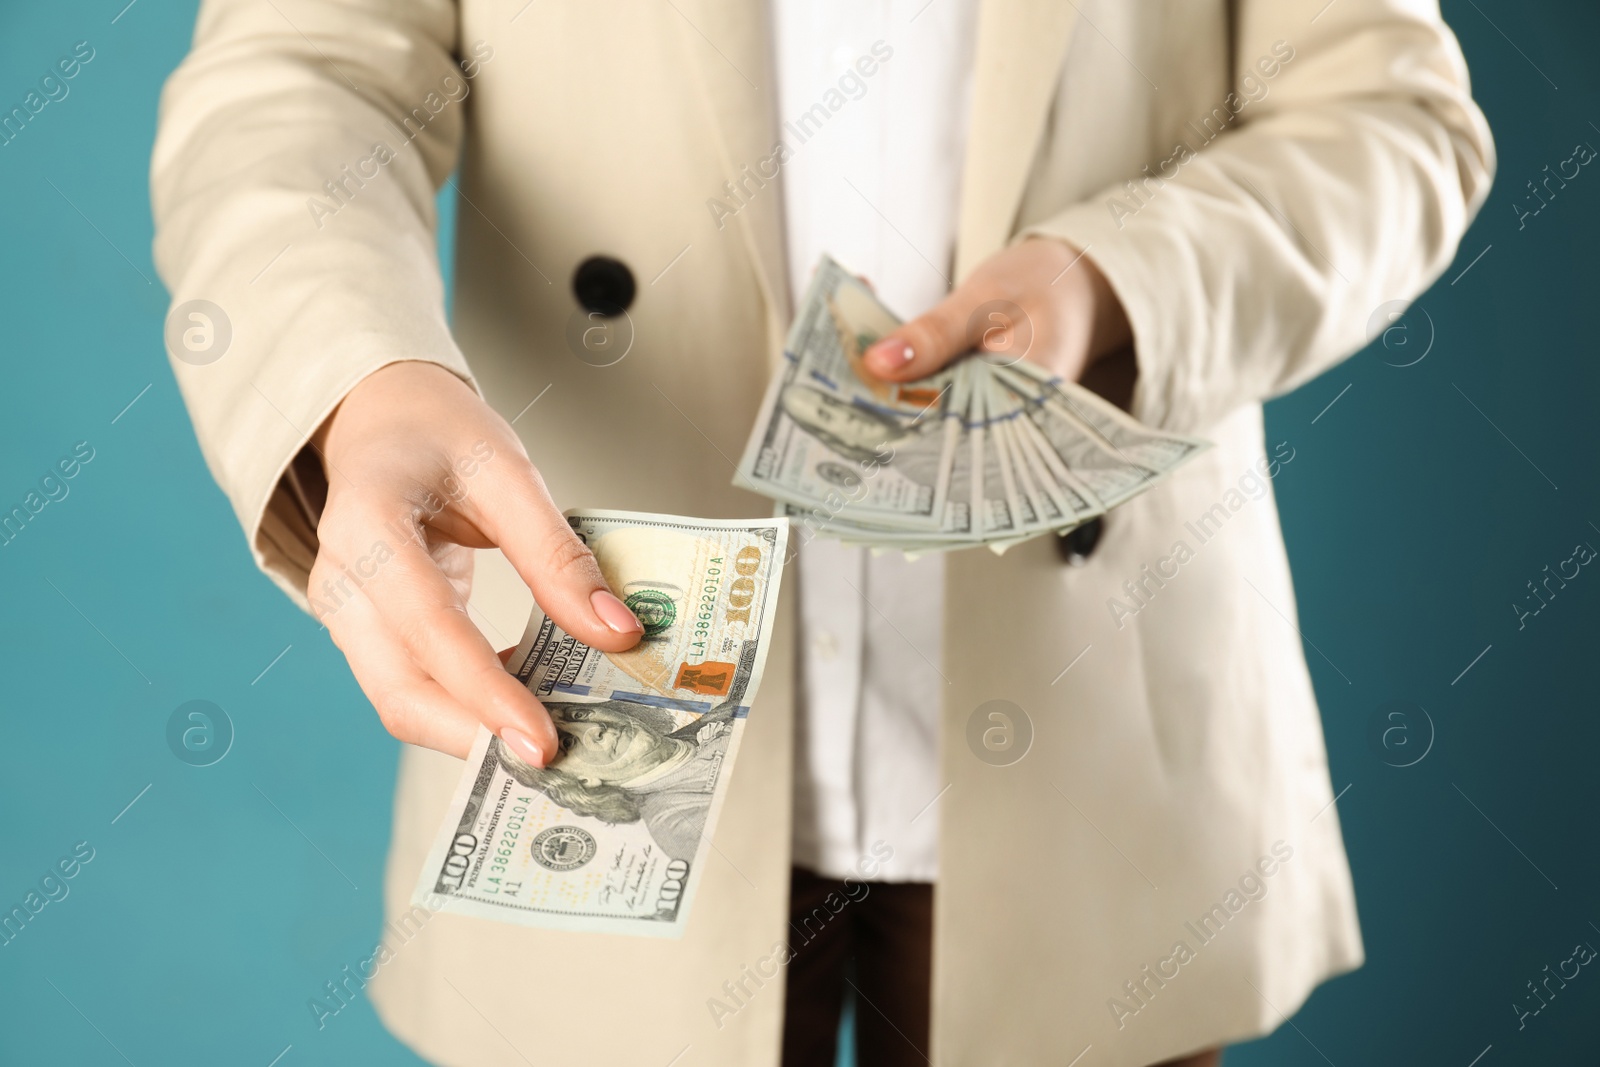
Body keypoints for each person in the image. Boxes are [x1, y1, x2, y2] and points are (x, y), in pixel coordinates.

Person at [150, 2, 1492, 1066]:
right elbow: (297, 73)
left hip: (1093, 732)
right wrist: (351, 372)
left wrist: (1125, 280)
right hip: (601, 681)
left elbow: (1393, 115)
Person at [495, 700, 736, 863]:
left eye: (577, 714)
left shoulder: (722, 714)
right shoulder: (675, 821)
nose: (594, 728)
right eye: (567, 743)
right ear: (583, 781)